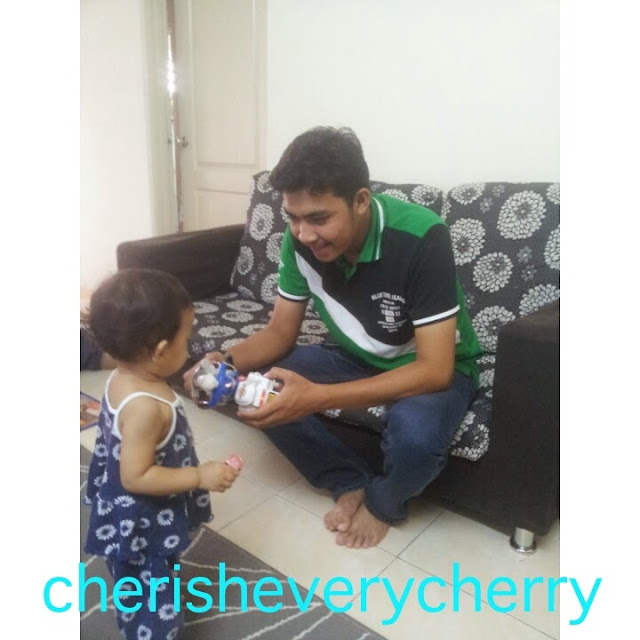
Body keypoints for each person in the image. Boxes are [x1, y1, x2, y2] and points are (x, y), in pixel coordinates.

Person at [186, 126, 481, 550]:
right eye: (293, 217)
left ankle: (383, 504)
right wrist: (223, 363)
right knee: (264, 392)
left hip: (429, 367)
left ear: (360, 200)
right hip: (354, 356)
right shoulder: (298, 243)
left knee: (416, 437)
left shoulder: (422, 237)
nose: (303, 234)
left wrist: (318, 396)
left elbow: (435, 370)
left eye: (319, 218)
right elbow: (279, 333)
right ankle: (348, 481)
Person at [84, 268, 240, 639]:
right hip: (143, 522)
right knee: (152, 601)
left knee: (141, 580)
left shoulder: (124, 377)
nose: (190, 347)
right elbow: (136, 476)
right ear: (159, 351)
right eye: (187, 339)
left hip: (130, 511)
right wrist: (199, 476)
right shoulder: (146, 408)